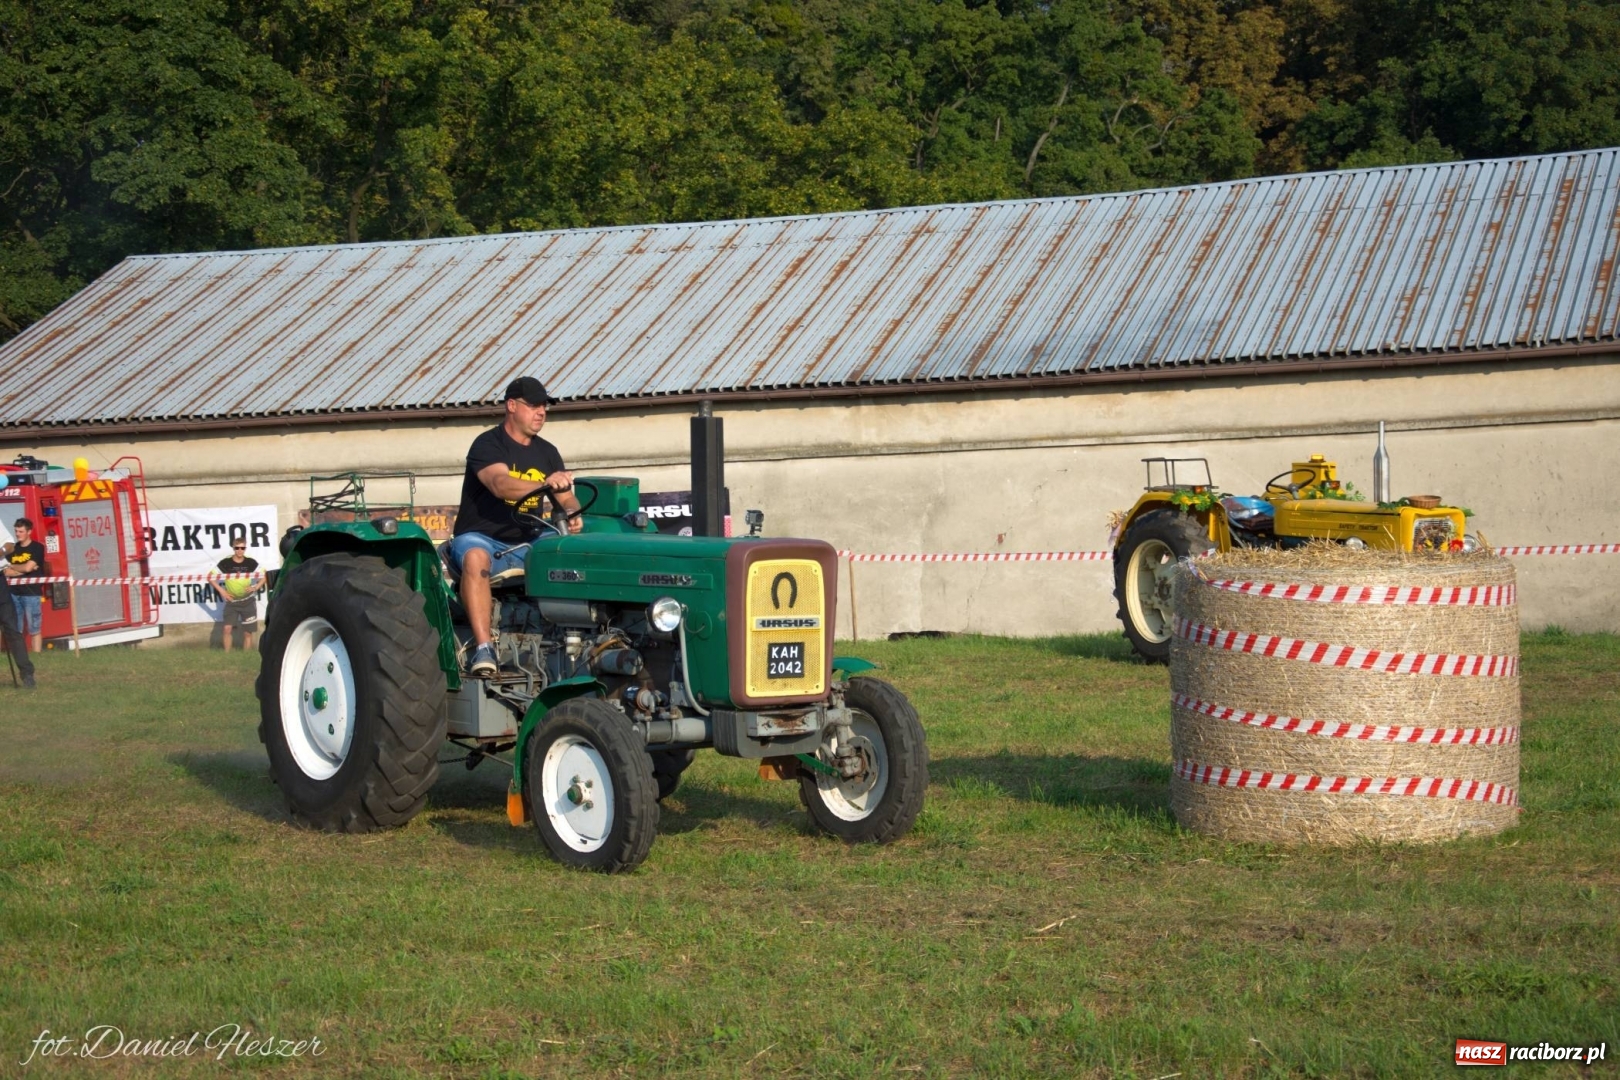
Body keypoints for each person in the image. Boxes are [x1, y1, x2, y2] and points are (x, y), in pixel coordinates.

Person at [449, 377, 580, 676]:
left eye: (544, 406)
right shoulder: (487, 444)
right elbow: (500, 484)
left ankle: (571, 641)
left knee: (568, 550)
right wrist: (544, 483)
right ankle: (483, 648)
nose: (541, 412)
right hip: (483, 539)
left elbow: (567, 496)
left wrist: (573, 512)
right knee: (475, 557)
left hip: (527, 540)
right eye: (534, 405)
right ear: (511, 406)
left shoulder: (547, 451)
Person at [3, 517, 47, 652]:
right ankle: (20, 654)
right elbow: (5, 571)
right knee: (16, 627)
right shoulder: (12, 549)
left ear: (29, 532)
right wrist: (21, 569)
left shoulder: (37, 548)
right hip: (13, 593)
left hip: (31, 593)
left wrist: (15, 567)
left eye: (21, 531)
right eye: (16, 531)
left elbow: (29, 567)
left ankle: (37, 655)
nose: (17, 534)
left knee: (34, 627)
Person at [210, 540, 263, 651]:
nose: (239, 550)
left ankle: (246, 656)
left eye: (242, 548)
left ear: (245, 549)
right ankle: (227, 657)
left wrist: (255, 587)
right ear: (233, 548)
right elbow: (210, 577)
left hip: (247, 601)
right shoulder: (226, 562)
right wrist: (222, 591)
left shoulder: (250, 562)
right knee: (227, 629)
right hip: (232, 602)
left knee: (247, 633)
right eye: (237, 548)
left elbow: (264, 576)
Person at [0, 569, 36, 688]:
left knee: (14, 633)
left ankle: (27, 675)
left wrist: (2, 549)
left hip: (3, 597)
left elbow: (9, 549)